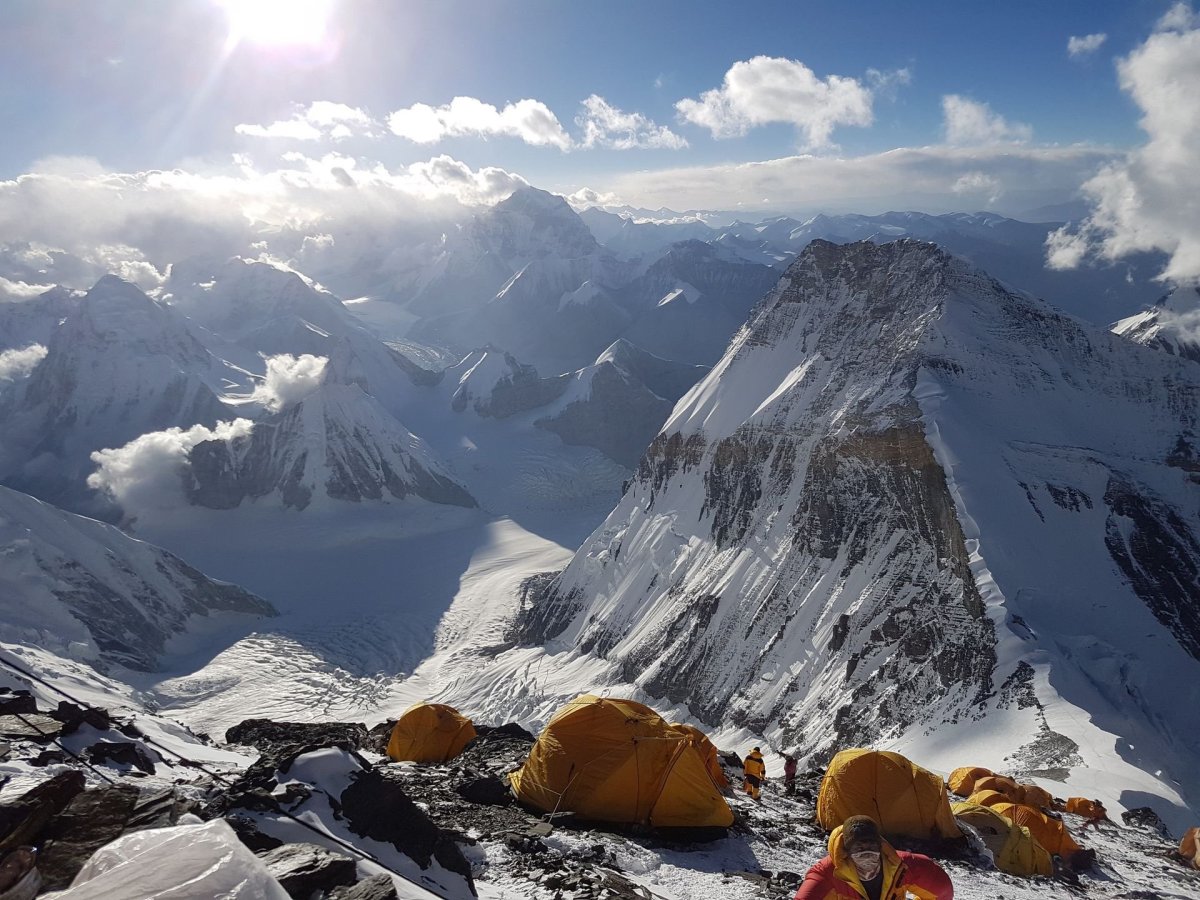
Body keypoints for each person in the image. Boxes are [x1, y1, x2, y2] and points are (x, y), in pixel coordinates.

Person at [794, 815, 953, 900]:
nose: (866, 852)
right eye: (859, 848)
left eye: (871, 846)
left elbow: (942, 890)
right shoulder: (828, 874)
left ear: (880, 846)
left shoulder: (901, 866)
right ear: (847, 850)